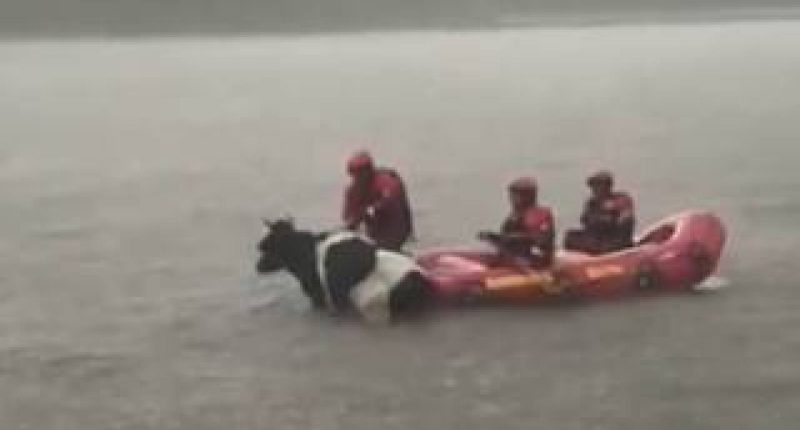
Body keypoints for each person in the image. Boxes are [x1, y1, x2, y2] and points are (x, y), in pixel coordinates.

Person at [342, 150, 414, 251]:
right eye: (355, 174)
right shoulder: (352, 191)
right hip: (374, 230)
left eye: (362, 172)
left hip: (394, 224)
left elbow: (390, 199)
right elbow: (350, 217)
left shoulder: (386, 182)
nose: (359, 177)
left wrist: (372, 209)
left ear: (369, 170)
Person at [478, 177, 555, 268]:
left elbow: (539, 241)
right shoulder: (515, 215)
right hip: (513, 258)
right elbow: (507, 239)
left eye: (514, 196)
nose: (511, 199)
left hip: (531, 262)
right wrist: (492, 237)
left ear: (527, 197)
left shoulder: (538, 215)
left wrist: (508, 238)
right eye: (511, 195)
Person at [564, 170, 635, 255]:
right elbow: (584, 220)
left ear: (607, 187)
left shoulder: (621, 199)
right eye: (593, 187)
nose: (593, 190)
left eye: (597, 186)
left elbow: (626, 220)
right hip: (596, 238)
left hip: (614, 239)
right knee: (570, 235)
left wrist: (610, 215)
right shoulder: (592, 203)